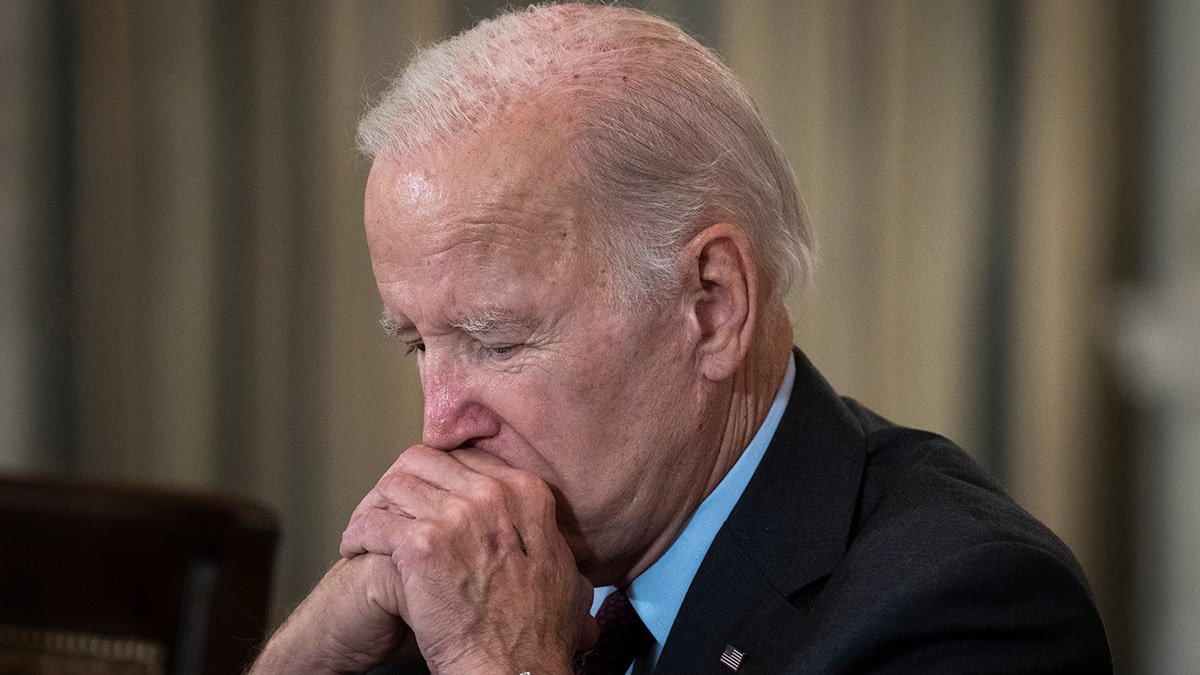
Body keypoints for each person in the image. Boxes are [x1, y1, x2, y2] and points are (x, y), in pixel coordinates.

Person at [250, 4, 1112, 673]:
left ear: (711, 303)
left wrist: (497, 662)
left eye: (498, 342)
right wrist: (314, 651)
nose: (440, 425)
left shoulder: (969, 608)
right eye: (418, 344)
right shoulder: (485, 561)